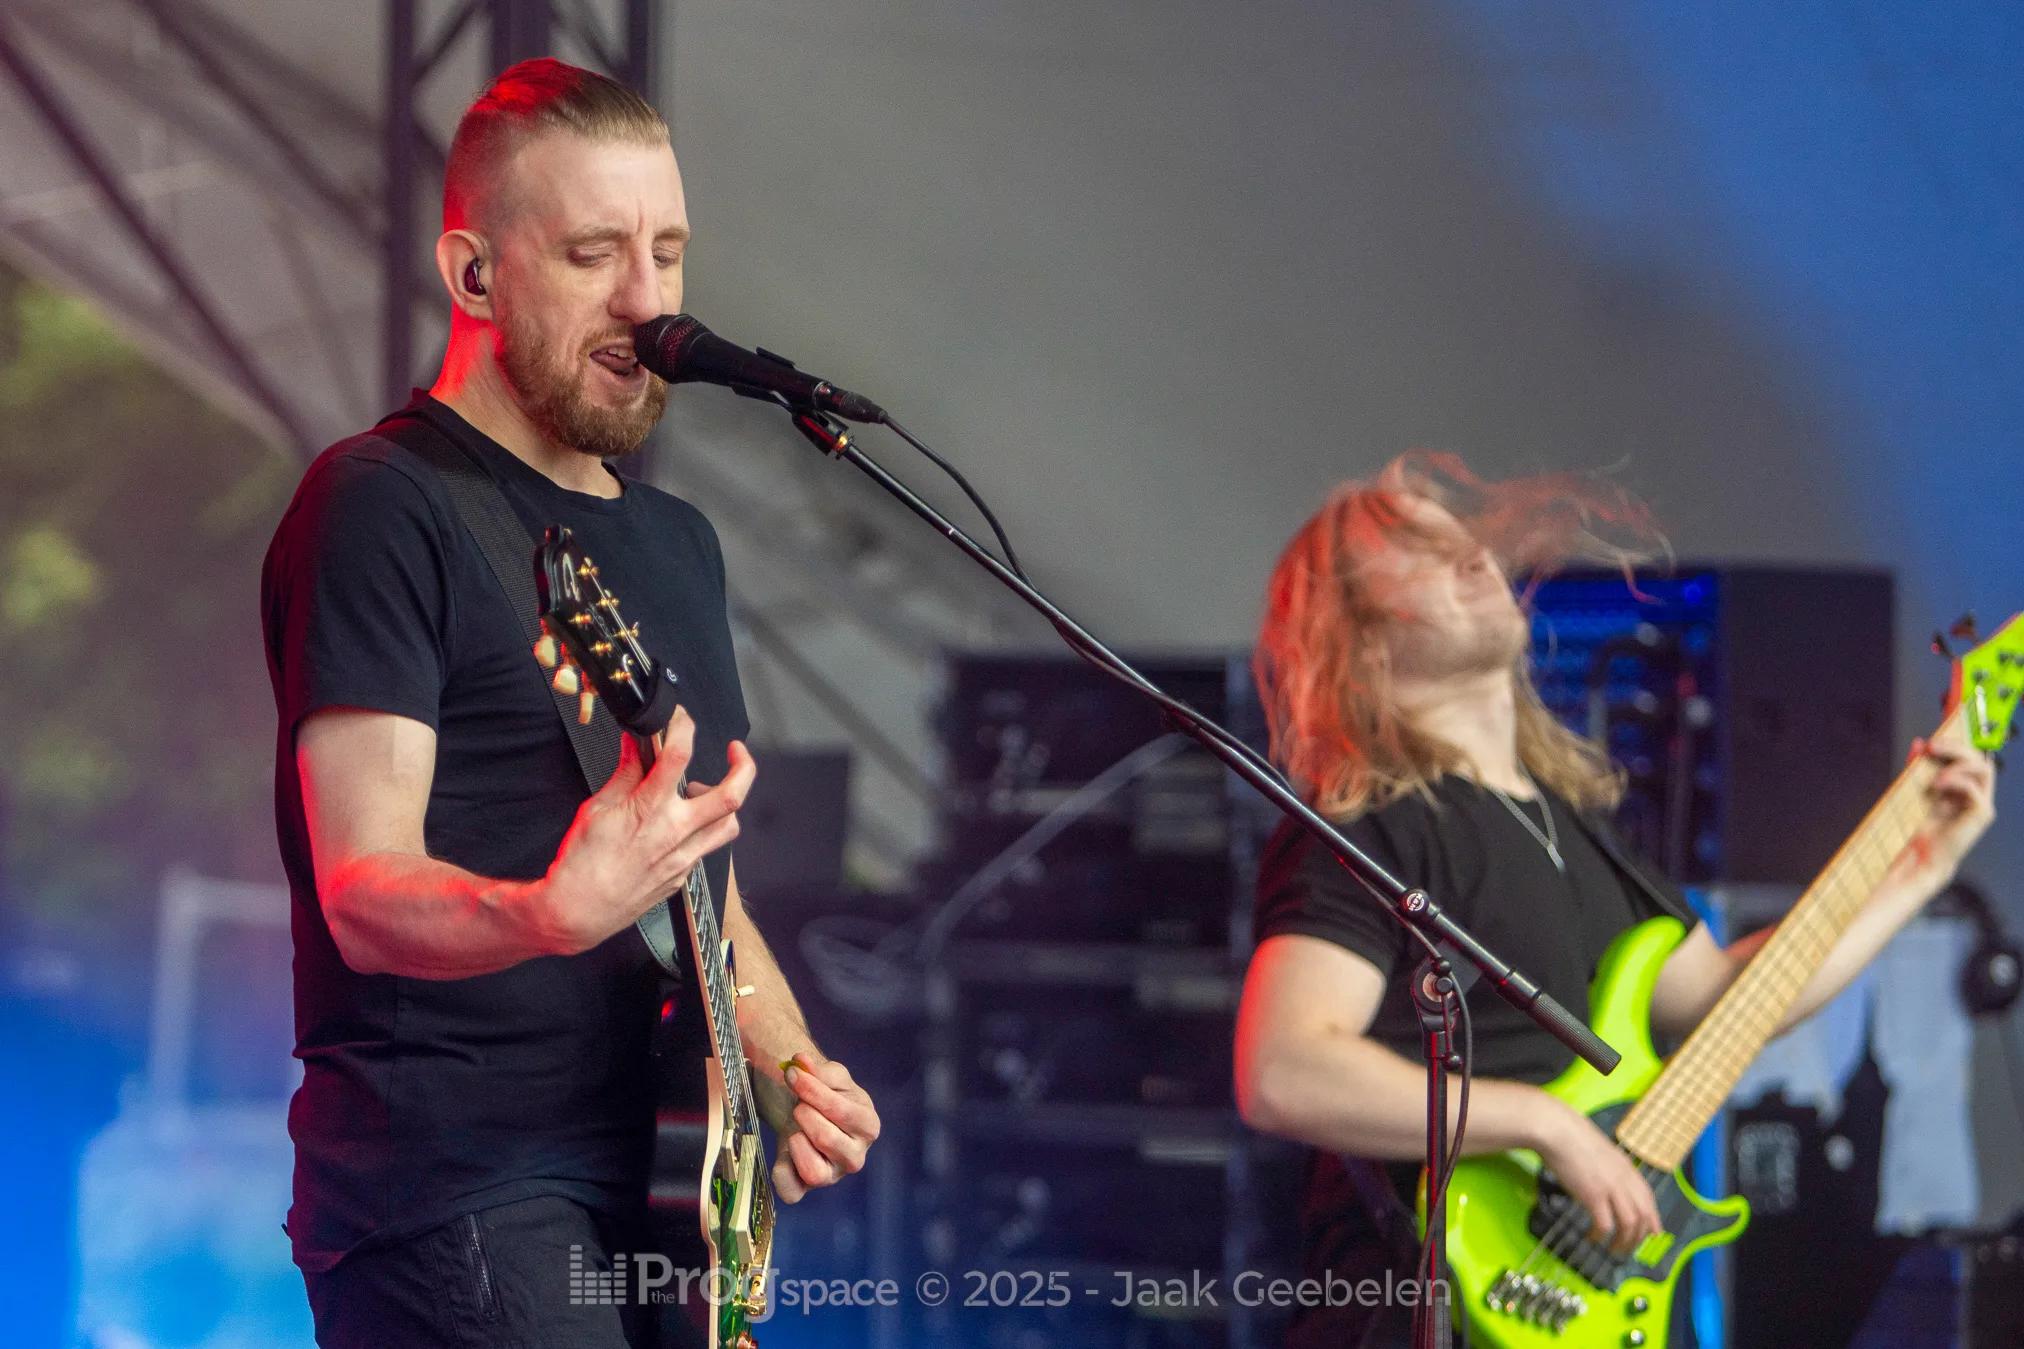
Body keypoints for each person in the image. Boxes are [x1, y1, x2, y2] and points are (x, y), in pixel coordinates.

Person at [261, 59, 879, 1347]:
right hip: (455, 1186)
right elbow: (362, 889)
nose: (646, 301)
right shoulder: (384, 503)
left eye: (667, 252)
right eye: (594, 254)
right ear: (473, 274)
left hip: (663, 1182)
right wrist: (548, 911)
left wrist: (786, 1066)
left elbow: (694, 881)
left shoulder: (679, 542)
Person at [1231, 453, 1995, 1348]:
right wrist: (1543, 1123)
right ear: (1357, 634)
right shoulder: (1369, 826)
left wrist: (1920, 868)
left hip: (1579, 1303)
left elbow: (1727, 1001)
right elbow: (1284, 1070)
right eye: (1424, 552)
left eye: (1465, 539)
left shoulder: (1574, 826)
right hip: (1417, 1310)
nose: (1477, 556)